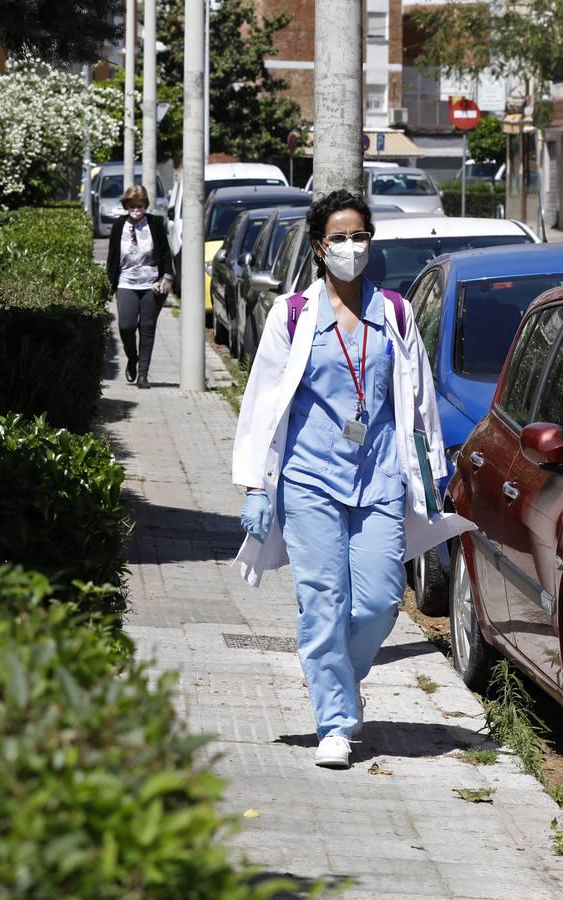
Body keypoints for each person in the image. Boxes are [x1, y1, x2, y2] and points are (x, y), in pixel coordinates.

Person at [231, 189, 473, 769]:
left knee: (381, 600)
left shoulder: (394, 312)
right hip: (309, 476)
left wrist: (432, 470)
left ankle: (340, 675)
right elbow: (263, 402)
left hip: (381, 474)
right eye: (338, 237)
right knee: (322, 602)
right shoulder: (293, 316)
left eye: (358, 235)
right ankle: (335, 722)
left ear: (370, 241)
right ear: (319, 247)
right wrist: (256, 485)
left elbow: (416, 402)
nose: (349, 246)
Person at [106, 184, 173, 388]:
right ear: (126, 205)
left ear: (145, 205)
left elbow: (165, 253)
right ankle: (132, 357)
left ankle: (143, 374)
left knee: (147, 328)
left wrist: (167, 277)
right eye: (132, 206)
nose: (136, 210)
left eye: (140, 206)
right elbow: (112, 257)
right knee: (126, 326)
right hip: (126, 282)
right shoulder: (119, 225)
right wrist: (109, 284)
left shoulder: (155, 223)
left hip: (151, 284)